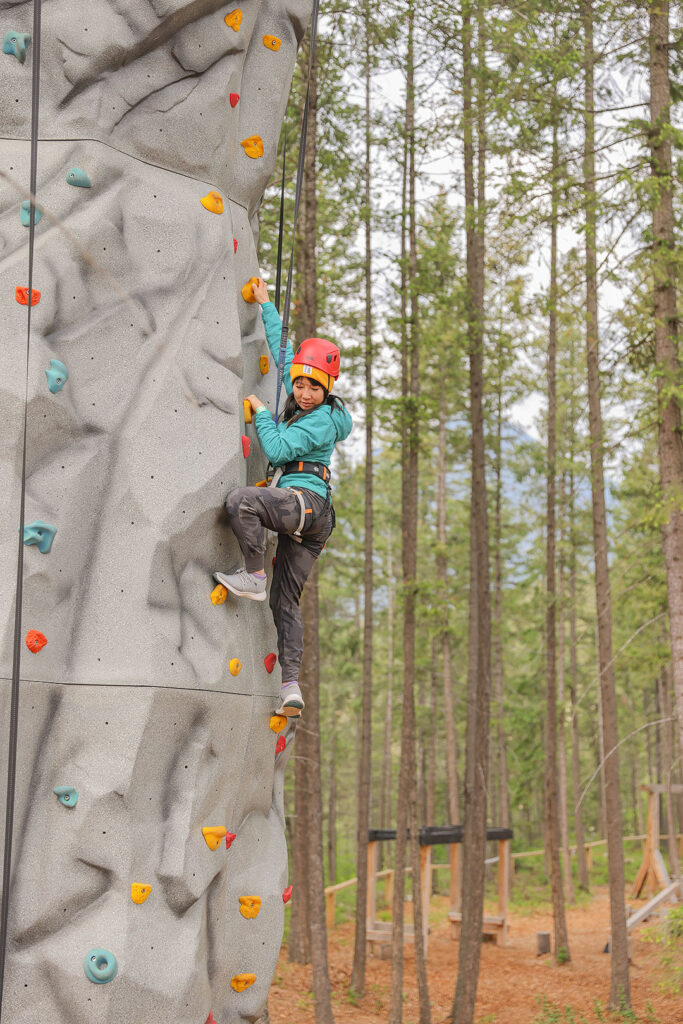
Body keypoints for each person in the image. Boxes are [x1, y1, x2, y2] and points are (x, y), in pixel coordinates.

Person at [214, 278, 353, 717]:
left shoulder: (323, 421)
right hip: (312, 518)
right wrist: (265, 303)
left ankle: (254, 575)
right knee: (285, 602)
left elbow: (275, 450)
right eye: (300, 385)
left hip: (305, 504)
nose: (304, 393)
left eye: (314, 388)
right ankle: (290, 686)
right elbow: (284, 351)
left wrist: (258, 413)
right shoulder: (304, 392)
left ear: (328, 388)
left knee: (242, 502)